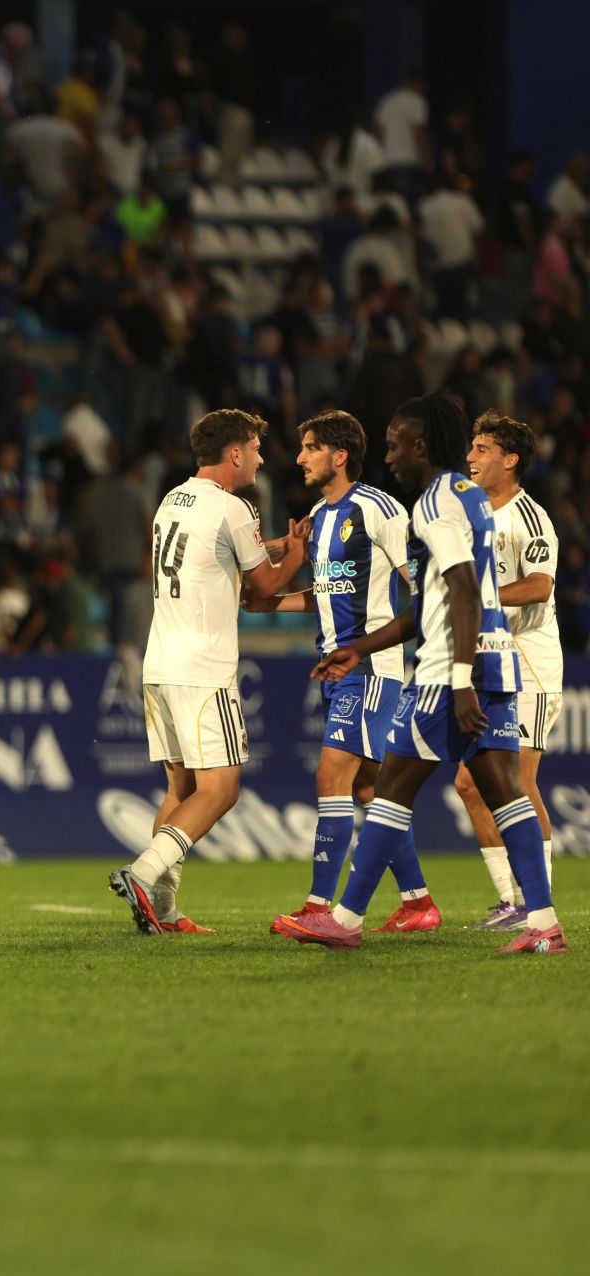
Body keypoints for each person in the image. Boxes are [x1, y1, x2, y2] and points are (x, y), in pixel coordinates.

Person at [275, 394, 563, 955]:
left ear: (422, 445)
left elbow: (459, 587)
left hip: (450, 669)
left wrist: (457, 679)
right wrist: (361, 647)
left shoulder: (435, 502)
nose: (389, 455)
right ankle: (543, 921)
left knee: (389, 787)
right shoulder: (468, 497)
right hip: (494, 657)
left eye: (395, 443)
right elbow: (429, 600)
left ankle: (347, 919)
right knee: (505, 790)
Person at [109, 410, 309, 935]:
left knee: (180, 792)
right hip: (203, 667)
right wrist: (298, 556)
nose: (262, 459)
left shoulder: (172, 500)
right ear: (236, 453)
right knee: (221, 790)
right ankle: (142, 872)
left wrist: (274, 550)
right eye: (256, 448)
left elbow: (211, 559)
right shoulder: (233, 507)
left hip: (161, 662)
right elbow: (260, 591)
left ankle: (164, 911)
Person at [246, 412, 418, 924]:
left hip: (369, 668)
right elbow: (322, 595)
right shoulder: (320, 518)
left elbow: (422, 585)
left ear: (339, 456)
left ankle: (321, 907)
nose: (299, 457)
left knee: (331, 778)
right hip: (334, 667)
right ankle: (419, 902)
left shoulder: (380, 509)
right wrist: (267, 604)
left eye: (310, 447)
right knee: (368, 789)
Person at [452, 412, 564, 931]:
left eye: (481, 448)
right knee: (470, 783)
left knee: (518, 780)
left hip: (530, 660)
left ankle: (537, 905)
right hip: (490, 660)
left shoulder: (531, 517)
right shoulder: (470, 513)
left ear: (509, 459)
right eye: (471, 447)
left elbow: (540, 585)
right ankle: (510, 899)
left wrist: (481, 598)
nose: (471, 456)